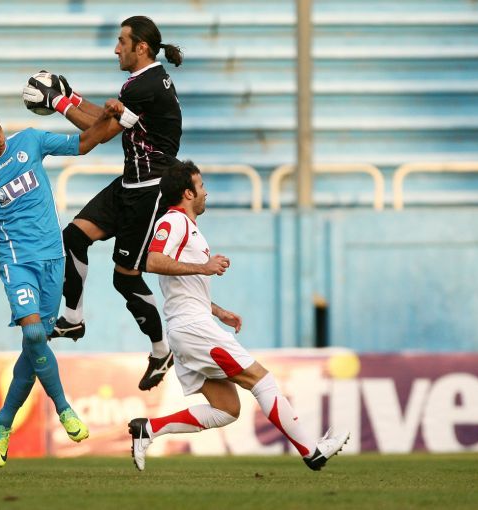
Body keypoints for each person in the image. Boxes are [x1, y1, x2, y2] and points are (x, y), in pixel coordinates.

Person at [0, 102, 121, 468]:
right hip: (17, 261)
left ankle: (3, 421)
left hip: (53, 258)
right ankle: (64, 409)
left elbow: (82, 144)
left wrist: (109, 119)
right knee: (32, 335)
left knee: (36, 345)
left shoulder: (29, 141)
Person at [127, 161, 350, 471]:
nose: (205, 192)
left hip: (189, 326)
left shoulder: (188, 227)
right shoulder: (173, 221)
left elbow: (183, 287)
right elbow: (153, 261)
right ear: (188, 193)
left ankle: (148, 429)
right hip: (193, 329)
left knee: (227, 409)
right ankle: (312, 451)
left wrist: (218, 310)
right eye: (201, 186)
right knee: (261, 380)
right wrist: (204, 267)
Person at [22, 15, 184, 391]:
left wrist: (58, 102)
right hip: (131, 181)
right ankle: (73, 318)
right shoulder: (144, 81)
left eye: (121, 42)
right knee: (73, 236)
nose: (115, 49)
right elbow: (109, 119)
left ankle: (162, 351)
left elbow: (100, 134)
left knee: (125, 278)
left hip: (151, 188)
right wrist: (74, 98)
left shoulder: (144, 85)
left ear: (141, 47)